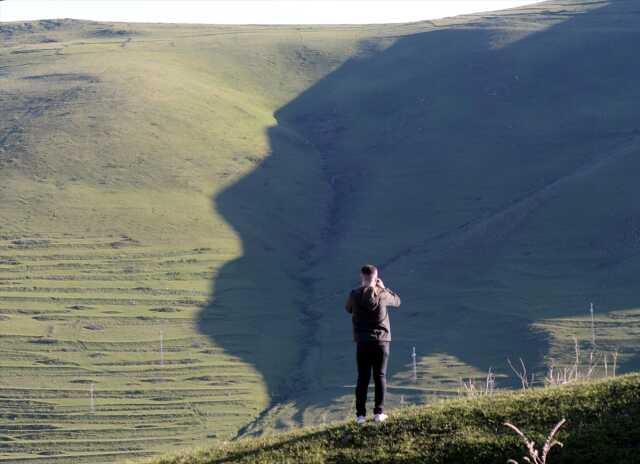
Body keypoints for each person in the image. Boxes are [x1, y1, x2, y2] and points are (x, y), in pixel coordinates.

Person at [345, 264, 401, 424]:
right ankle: (378, 413)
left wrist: (361, 290)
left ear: (361, 277)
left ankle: (360, 416)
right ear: (376, 278)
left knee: (362, 377)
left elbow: (348, 309)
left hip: (362, 342)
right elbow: (397, 301)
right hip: (381, 341)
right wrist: (384, 288)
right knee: (380, 376)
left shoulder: (354, 294)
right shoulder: (383, 294)